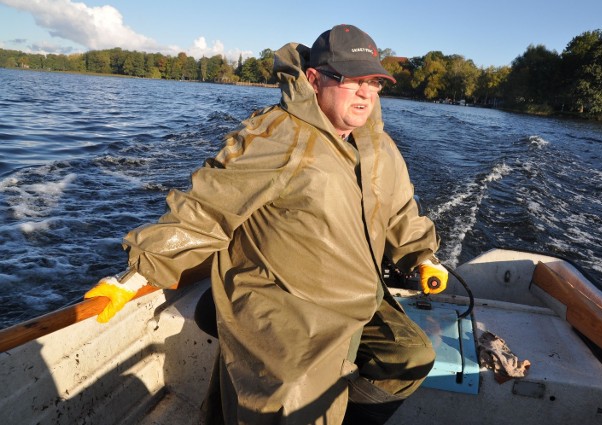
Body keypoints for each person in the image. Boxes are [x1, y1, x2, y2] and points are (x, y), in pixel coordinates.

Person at [84, 24, 449, 425]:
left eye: (375, 82)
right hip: (285, 298)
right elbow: (206, 209)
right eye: (353, 81)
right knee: (291, 403)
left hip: (355, 295)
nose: (367, 93)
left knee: (409, 358)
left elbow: (398, 209)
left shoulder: (378, 144)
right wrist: (134, 278)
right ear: (314, 79)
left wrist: (422, 256)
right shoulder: (280, 135)